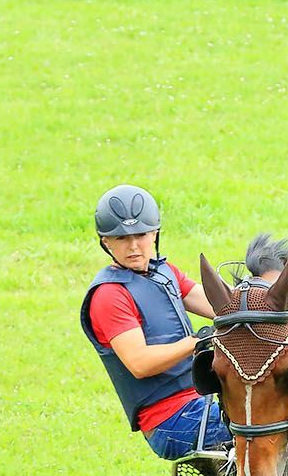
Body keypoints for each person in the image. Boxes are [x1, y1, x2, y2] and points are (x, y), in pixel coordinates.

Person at [79, 184, 229, 460]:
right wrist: (196, 342)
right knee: (266, 423)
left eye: (141, 235)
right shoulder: (110, 295)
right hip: (171, 422)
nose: (134, 246)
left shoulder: (163, 272)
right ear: (105, 242)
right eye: (122, 238)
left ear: (155, 233)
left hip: (202, 400)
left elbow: (220, 306)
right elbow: (140, 364)